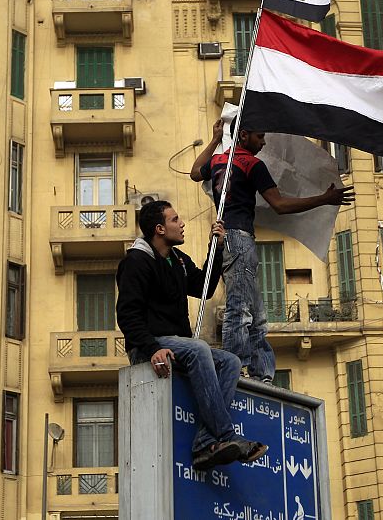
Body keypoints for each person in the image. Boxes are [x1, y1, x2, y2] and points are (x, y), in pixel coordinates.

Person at [190, 118, 355, 383]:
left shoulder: (220, 160)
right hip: (239, 238)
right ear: (243, 135)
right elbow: (280, 205)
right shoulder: (254, 165)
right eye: (260, 136)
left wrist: (214, 139)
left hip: (224, 239)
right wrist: (324, 199)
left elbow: (196, 172)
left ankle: (262, 374)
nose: (264, 142)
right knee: (240, 310)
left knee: (257, 317)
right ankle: (235, 370)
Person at [117, 200, 268, 470]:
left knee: (230, 362)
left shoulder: (179, 261)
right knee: (199, 349)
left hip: (180, 346)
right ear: (160, 229)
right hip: (149, 346)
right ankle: (226, 435)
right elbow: (128, 315)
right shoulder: (136, 261)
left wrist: (216, 248)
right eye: (175, 220)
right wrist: (153, 349)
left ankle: (204, 443)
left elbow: (204, 287)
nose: (182, 223)